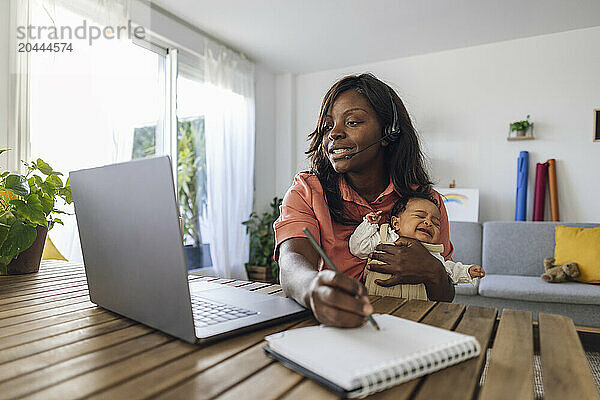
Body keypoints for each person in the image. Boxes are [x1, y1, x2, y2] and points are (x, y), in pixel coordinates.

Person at [274, 73, 455, 328]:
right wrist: (313, 288)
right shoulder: (306, 190)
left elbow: (446, 296)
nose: (334, 133)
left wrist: (433, 272)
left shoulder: (428, 203)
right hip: (332, 328)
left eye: (353, 122)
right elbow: (291, 263)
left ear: (389, 132)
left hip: (409, 329)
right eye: (327, 126)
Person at [349, 193, 485, 299]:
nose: (428, 223)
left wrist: (467, 271)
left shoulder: (431, 254)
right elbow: (358, 248)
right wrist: (368, 225)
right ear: (396, 223)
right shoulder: (383, 237)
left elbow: (448, 270)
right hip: (376, 303)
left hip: (416, 307)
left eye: (436, 223)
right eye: (420, 216)